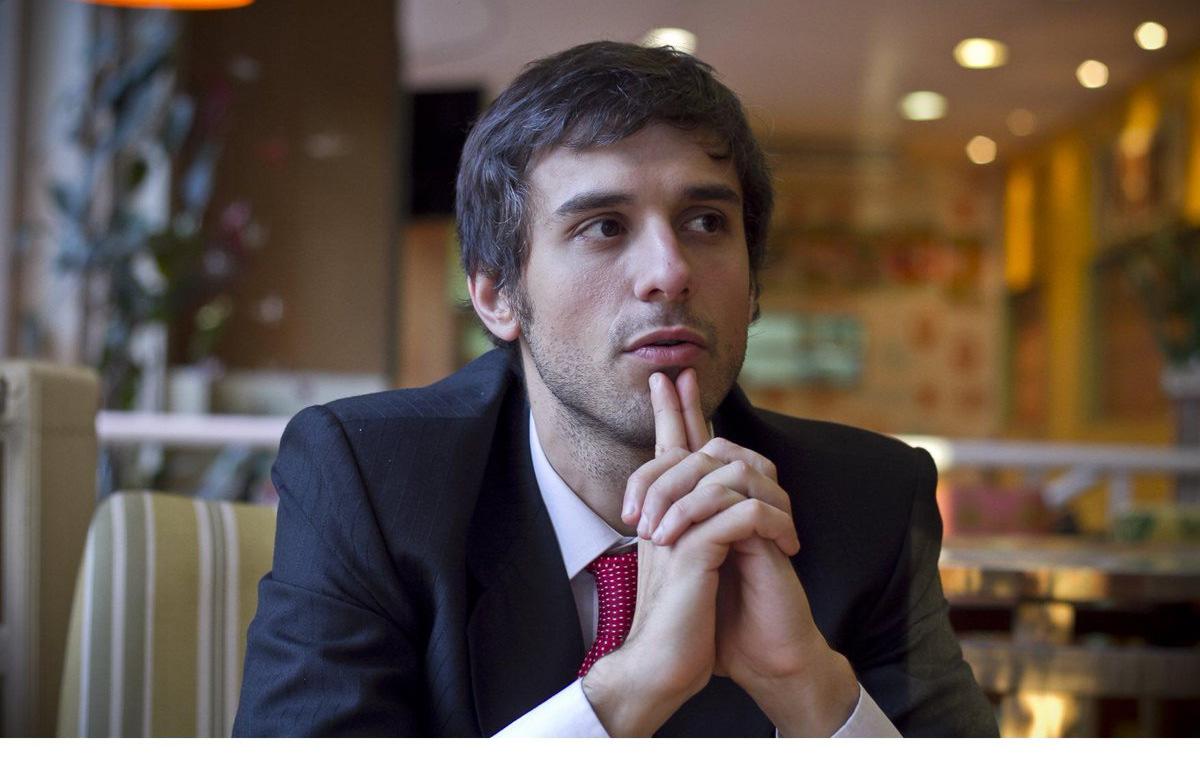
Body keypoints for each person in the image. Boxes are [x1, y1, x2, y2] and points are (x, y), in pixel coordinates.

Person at [233, 40, 998, 737]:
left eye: (706, 221)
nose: (670, 271)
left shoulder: (868, 503)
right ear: (497, 295)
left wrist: (809, 688)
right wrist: (627, 691)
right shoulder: (372, 479)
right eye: (603, 226)